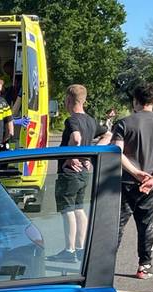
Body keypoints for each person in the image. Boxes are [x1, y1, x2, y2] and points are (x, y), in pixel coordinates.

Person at [113, 83, 153, 279]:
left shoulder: (123, 123)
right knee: (147, 225)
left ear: (135, 100)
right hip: (150, 185)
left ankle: (104, 265)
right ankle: (144, 266)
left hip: (125, 182)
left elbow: (116, 151)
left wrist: (135, 172)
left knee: (116, 225)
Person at [50, 84, 98, 263]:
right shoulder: (91, 120)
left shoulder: (72, 120)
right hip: (84, 172)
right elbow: (107, 134)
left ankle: (69, 250)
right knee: (79, 208)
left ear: (69, 100)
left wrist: (71, 156)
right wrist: (90, 155)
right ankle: (80, 248)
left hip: (69, 172)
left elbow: (76, 138)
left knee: (67, 210)